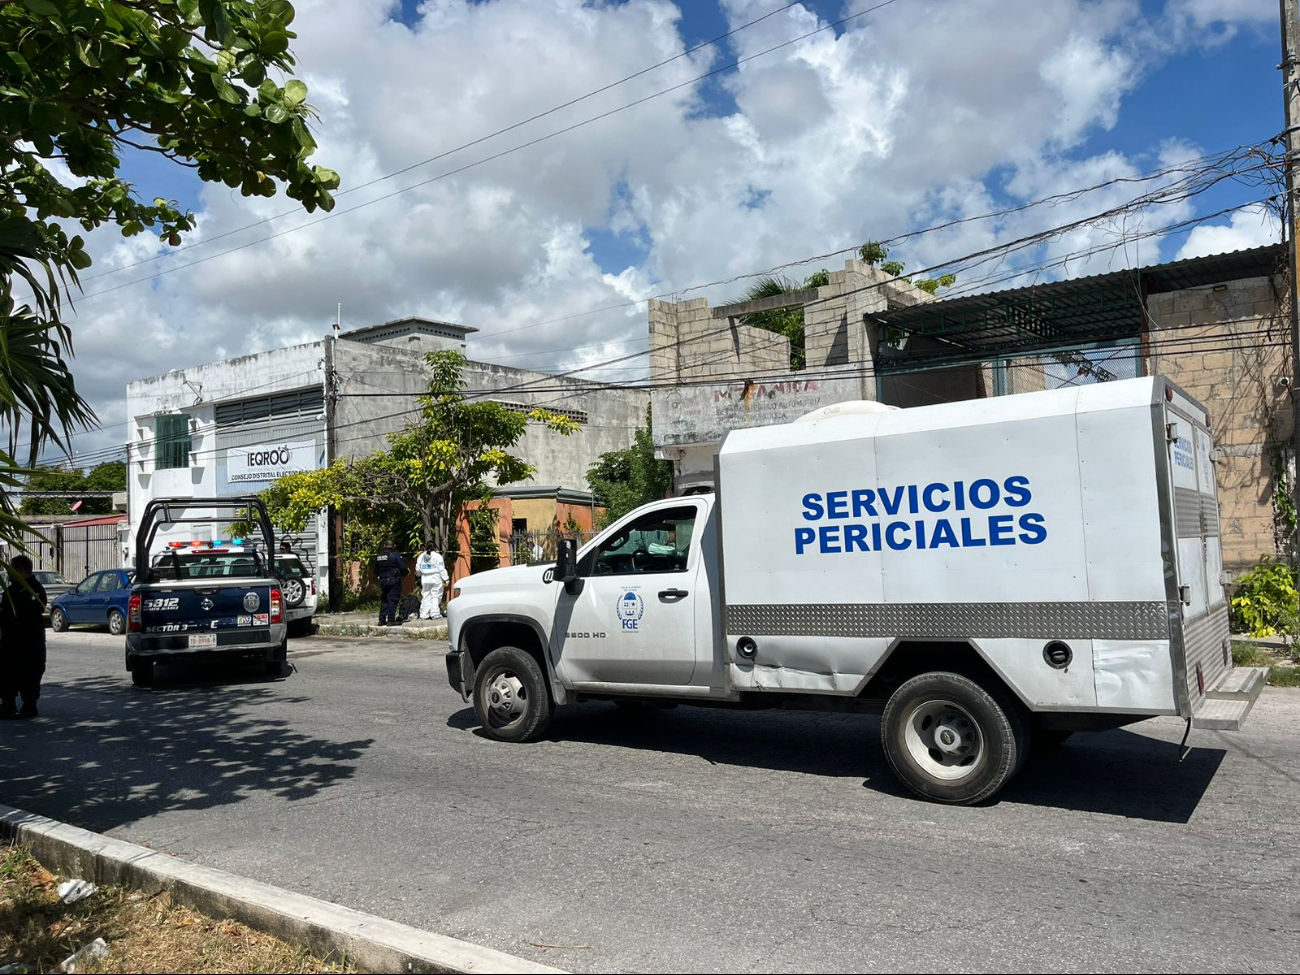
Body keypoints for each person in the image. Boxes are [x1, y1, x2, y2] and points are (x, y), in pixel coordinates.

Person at [0, 555, 47, 719]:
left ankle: (29, 706)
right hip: (9, 642)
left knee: (30, 675)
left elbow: (30, 613)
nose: (8, 572)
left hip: (29, 643)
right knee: (7, 675)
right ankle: (8, 705)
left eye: (12, 569)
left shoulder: (34, 589)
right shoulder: (11, 590)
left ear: (21, 571)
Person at [374, 540, 408, 627]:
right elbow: (403, 568)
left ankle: (381, 620)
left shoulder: (378, 556)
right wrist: (404, 574)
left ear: (384, 546)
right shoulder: (395, 555)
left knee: (385, 599)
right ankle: (391, 620)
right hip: (393, 580)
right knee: (392, 599)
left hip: (382, 580)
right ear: (394, 546)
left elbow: (375, 570)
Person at [415, 541, 449, 621]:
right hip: (436, 578)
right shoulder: (438, 556)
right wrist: (446, 579)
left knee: (425, 596)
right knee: (435, 596)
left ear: (426, 547)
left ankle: (423, 615)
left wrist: (419, 574)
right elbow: (441, 569)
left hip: (425, 578)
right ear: (435, 547)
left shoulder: (421, 556)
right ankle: (435, 614)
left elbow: (417, 569)